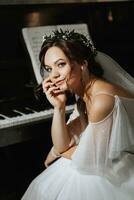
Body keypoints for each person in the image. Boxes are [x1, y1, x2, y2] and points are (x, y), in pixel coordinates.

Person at [22, 29, 134, 200]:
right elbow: (63, 144)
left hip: (121, 164)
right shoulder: (83, 91)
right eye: (48, 68)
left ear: (82, 63)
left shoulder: (102, 99)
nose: (53, 75)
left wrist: (56, 154)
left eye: (61, 64)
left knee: (75, 175)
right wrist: (58, 107)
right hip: (108, 160)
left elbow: (89, 159)